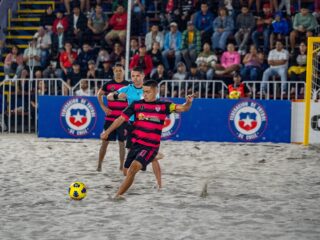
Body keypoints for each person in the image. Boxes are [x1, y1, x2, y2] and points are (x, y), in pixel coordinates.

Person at [101, 80, 194, 199]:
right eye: (143, 91)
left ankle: (117, 196)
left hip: (150, 146)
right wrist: (107, 132)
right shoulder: (136, 104)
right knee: (126, 169)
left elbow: (184, 108)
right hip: (135, 145)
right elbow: (120, 119)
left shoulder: (164, 106)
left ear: (155, 91)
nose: (144, 94)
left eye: (147, 92)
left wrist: (188, 102)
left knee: (133, 169)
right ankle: (152, 157)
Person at [107, 67, 163, 188]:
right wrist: (118, 96)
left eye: (138, 76)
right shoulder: (127, 88)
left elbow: (157, 106)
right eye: (133, 76)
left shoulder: (149, 89)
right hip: (132, 125)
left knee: (148, 156)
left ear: (143, 76)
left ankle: (159, 184)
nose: (135, 78)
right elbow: (109, 96)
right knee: (131, 158)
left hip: (147, 125)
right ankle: (133, 178)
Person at [97, 63, 130, 172]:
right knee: (104, 142)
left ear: (124, 72)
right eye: (117, 70)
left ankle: (121, 166)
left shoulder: (128, 85)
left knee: (122, 143)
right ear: (113, 71)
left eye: (120, 70)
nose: (118, 72)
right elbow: (98, 94)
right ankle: (99, 165)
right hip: (110, 119)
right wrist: (103, 107)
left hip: (122, 119)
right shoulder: (108, 84)